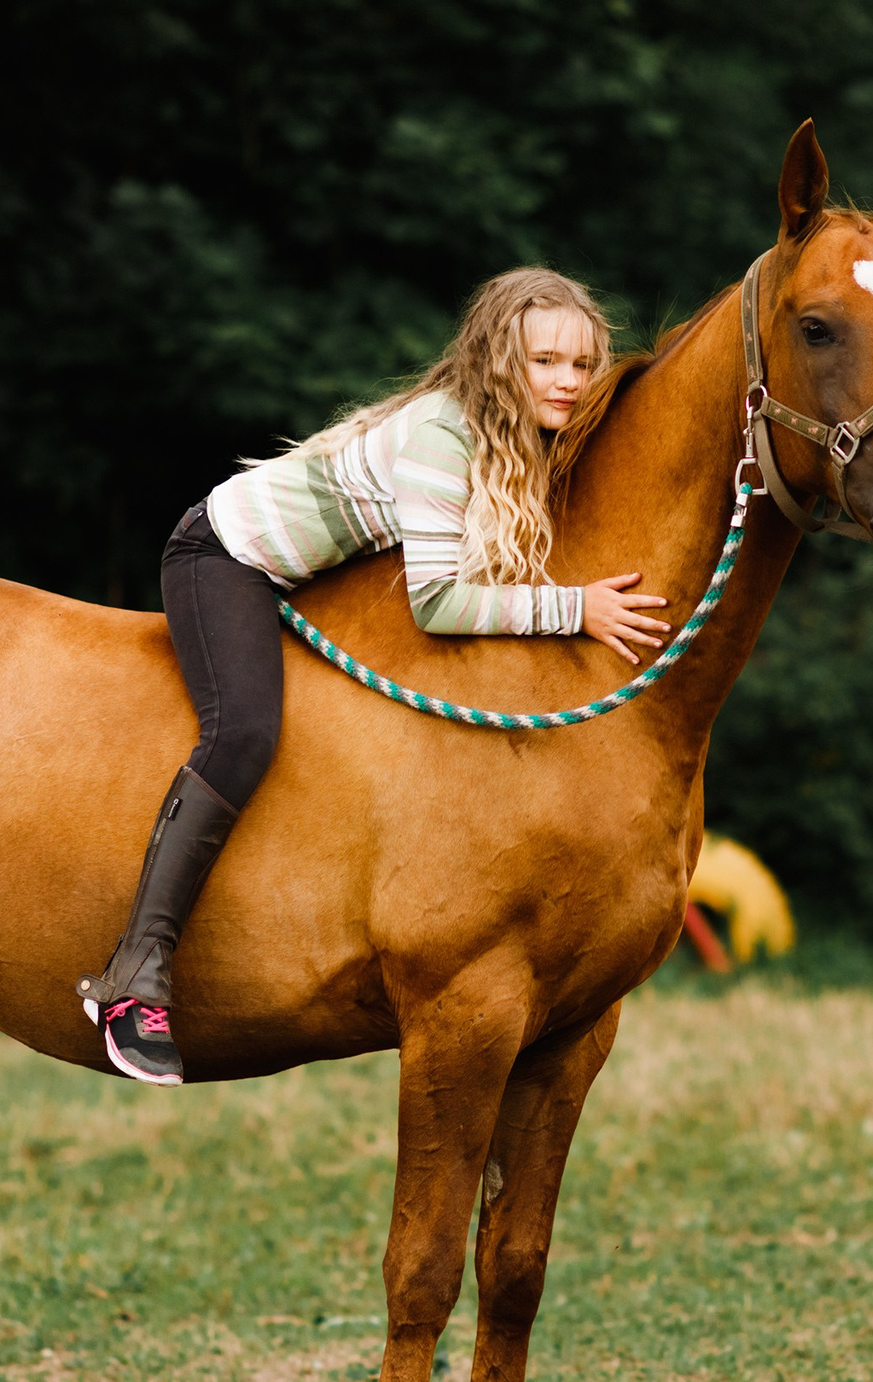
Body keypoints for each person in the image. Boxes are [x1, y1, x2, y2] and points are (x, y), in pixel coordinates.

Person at [77, 267, 672, 1085]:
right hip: (228, 558)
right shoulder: (446, 435)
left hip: (317, 578)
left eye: (581, 364)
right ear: (500, 360)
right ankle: (132, 974)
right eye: (544, 362)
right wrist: (575, 609)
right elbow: (436, 599)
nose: (567, 382)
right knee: (244, 731)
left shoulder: (528, 438)